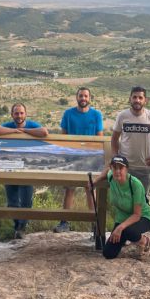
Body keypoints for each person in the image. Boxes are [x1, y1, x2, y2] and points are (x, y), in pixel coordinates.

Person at [0, 102, 48, 239]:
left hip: (27, 169)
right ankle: (17, 226)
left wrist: (24, 131)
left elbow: (44, 132)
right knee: (12, 202)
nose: (19, 116)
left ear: (26, 114)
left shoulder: (32, 124)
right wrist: (13, 131)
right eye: (16, 113)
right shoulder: (9, 125)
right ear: (12, 114)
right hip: (10, 168)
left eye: (21, 113)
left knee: (26, 202)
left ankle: (22, 226)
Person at [53, 87, 104, 233]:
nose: (83, 98)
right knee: (69, 189)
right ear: (77, 97)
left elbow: (100, 137)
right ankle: (64, 222)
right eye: (81, 96)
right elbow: (63, 136)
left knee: (90, 189)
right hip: (72, 158)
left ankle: (94, 225)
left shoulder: (96, 115)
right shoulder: (68, 114)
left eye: (86, 96)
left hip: (90, 158)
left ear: (90, 98)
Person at [111, 86, 150, 197]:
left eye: (140, 97)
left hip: (145, 168)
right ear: (130, 99)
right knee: (125, 199)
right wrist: (116, 159)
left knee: (142, 200)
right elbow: (114, 139)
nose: (137, 100)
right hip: (125, 167)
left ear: (145, 100)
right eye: (134, 97)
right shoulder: (122, 116)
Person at [91, 155, 150, 259]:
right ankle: (125, 237)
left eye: (121, 168)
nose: (117, 171)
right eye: (115, 168)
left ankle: (144, 241)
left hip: (143, 217)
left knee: (128, 231)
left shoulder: (135, 184)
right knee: (108, 253)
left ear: (127, 169)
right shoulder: (111, 176)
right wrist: (95, 181)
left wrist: (120, 227)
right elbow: (107, 171)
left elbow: (137, 215)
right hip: (122, 218)